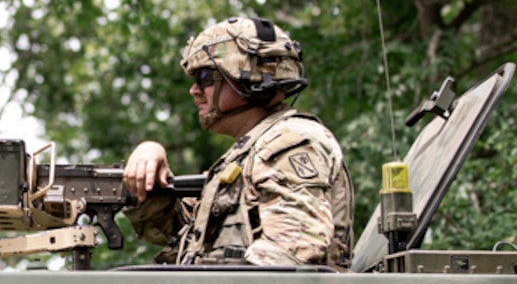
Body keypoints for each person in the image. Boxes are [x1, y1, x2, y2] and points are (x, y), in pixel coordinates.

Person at [123, 16, 353, 267]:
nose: (194, 90)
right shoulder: (252, 151)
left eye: (204, 77)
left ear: (249, 77)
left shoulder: (288, 141)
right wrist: (148, 164)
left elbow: (290, 254)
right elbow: (185, 232)